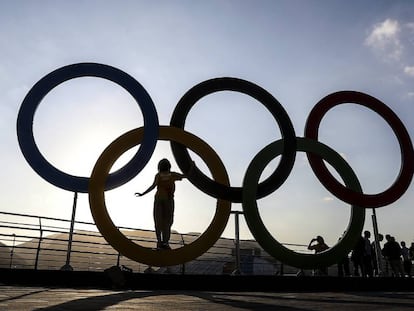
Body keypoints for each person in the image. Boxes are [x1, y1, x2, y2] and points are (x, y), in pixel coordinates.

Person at [135, 159, 193, 250]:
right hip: (164, 201)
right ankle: (163, 242)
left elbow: (153, 186)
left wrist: (143, 193)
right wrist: (192, 167)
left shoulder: (169, 175)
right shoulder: (168, 175)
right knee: (164, 222)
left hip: (164, 201)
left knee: (162, 222)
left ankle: (162, 242)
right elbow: (186, 175)